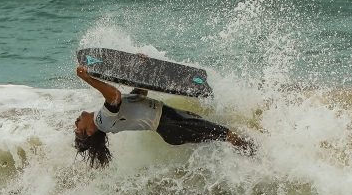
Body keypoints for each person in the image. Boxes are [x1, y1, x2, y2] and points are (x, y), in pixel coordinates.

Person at [74, 66, 255, 167]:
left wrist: (140, 70)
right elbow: (115, 96)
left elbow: (140, 95)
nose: (76, 121)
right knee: (227, 135)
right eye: (77, 128)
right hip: (172, 124)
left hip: (172, 122)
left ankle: (251, 158)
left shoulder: (106, 119)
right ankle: (260, 157)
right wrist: (87, 78)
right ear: (89, 132)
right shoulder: (102, 121)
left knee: (223, 136)